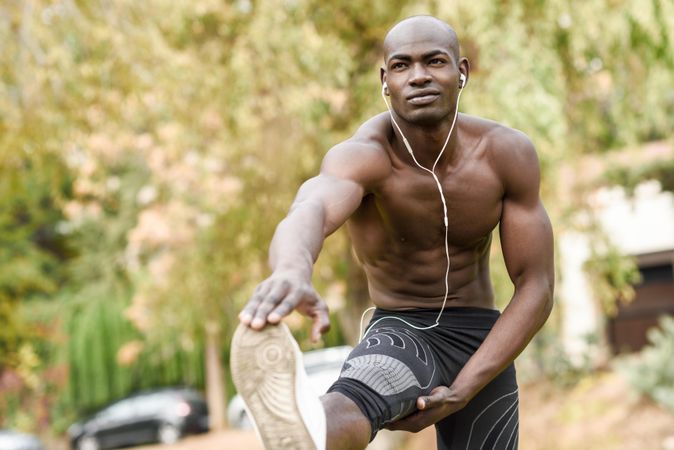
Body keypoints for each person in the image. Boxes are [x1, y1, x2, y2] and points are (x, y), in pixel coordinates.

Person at [231, 15, 554, 450]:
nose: (418, 76)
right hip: (402, 328)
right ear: (385, 80)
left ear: (461, 72)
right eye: (402, 65)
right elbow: (311, 207)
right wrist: (291, 270)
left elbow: (536, 285)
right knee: (354, 401)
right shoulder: (364, 156)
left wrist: (464, 390)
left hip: (483, 339)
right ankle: (307, 434)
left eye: (434, 61)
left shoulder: (505, 154)